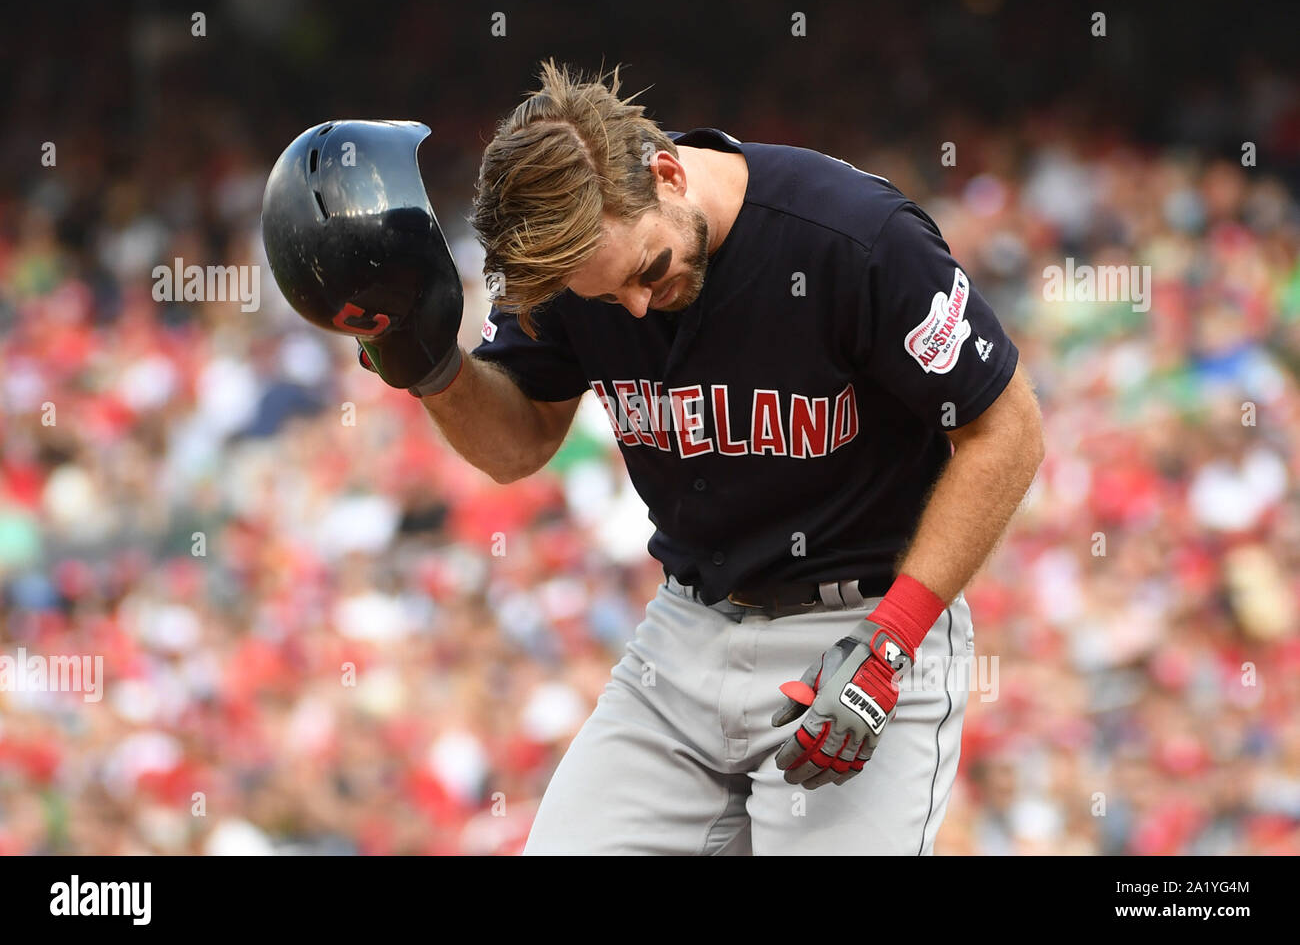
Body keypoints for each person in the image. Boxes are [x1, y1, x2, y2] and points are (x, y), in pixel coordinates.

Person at [261, 59, 1045, 855]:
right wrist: (429, 366)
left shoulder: (853, 237)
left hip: (867, 624)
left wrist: (891, 642)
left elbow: (1007, 429)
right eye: (607, 299)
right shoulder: (565, 267)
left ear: (666, 172)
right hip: (687, 631)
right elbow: (520, 442)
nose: (635, 305)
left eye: (646, 272)